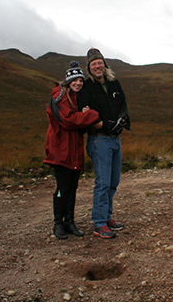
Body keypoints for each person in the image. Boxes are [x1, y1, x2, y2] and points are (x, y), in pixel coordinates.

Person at [43, 61, 102, 239]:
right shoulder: (59, 95)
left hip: (74, 152)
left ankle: (70, 222)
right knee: (62, 188)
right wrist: (91, 115)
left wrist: (84, 116)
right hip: (60, 152)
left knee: (72, 188)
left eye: (81, 80)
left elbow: (79, 126)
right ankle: (58, 224)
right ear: (68, 81)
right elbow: (68, 120)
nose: (78, 83)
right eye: (75, 80)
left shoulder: (76, 99)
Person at [78, 48, 130, 239]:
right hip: (99, 140)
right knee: (103, 182)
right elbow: (86, 115)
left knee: (113, 181)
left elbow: (123, 105)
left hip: (115, 140)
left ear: (104, 65)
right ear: (89, 68)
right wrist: (108, 125)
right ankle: (99, 223)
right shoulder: (86, 88)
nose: (97, 66)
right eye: (93, 64)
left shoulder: (114, 83)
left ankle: (107, 217)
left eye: (100, 63)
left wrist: (122, 122)